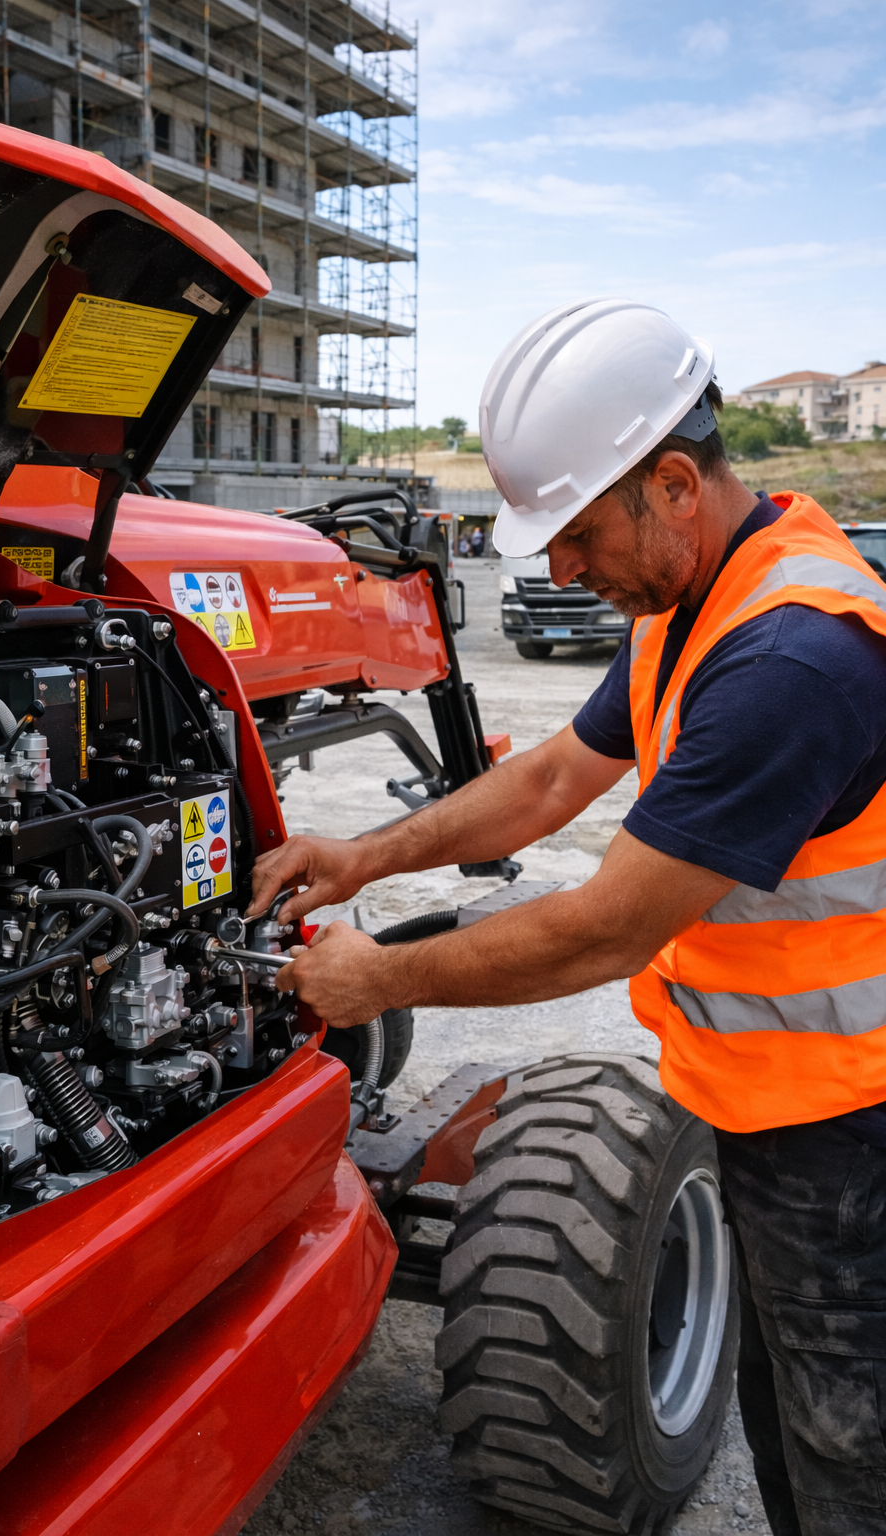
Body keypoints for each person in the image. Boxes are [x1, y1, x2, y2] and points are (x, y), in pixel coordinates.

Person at [248, 299, 886, 1536]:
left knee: (847, 1436)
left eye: (579, 533)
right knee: (785, 1405)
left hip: (847, 1119)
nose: (558, 571)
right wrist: (360, 857)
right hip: (758, 1091)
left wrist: (380, 979)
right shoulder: (696, 605)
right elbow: (548, 783)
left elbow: (604, 929)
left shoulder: (790, 660)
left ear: (674, 486)